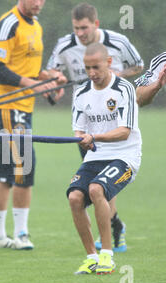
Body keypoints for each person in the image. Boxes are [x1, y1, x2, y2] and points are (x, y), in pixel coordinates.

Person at [46, 2, 144, 253]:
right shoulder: (65, 46)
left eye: (84, 28)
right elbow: (51, 76)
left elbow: (139, 66)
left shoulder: (118, 42)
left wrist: (111, 77)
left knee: (101, 186)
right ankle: (109, 233)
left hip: (113, 120)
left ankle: (110, 239)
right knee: (94, 187)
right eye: (76, 28)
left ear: (95, 24)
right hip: (89, 121)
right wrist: (55, 84)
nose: (80, 33)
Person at [0, 0, 66, 250]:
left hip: (23, 107)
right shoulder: (7, 24)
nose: (39, 3)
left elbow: (26, 67)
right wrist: (33, 85)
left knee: (7, 170)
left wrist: (48, 78)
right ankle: (21, 234)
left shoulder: (36, 26)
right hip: (6, 104)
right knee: (25, 164)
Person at [67, 43, 142, 275]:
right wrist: (81, 138)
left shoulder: (123, 89)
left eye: (96, 67)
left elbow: (124, 132)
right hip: (96, 156)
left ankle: (107, 257)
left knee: (96, 189)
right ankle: (91, 257)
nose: (91, 73)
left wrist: (94, 136)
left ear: (109, 63)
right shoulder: (80, 92)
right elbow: (79, 130)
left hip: (125, 155)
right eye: (87, 68)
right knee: (75, 197)